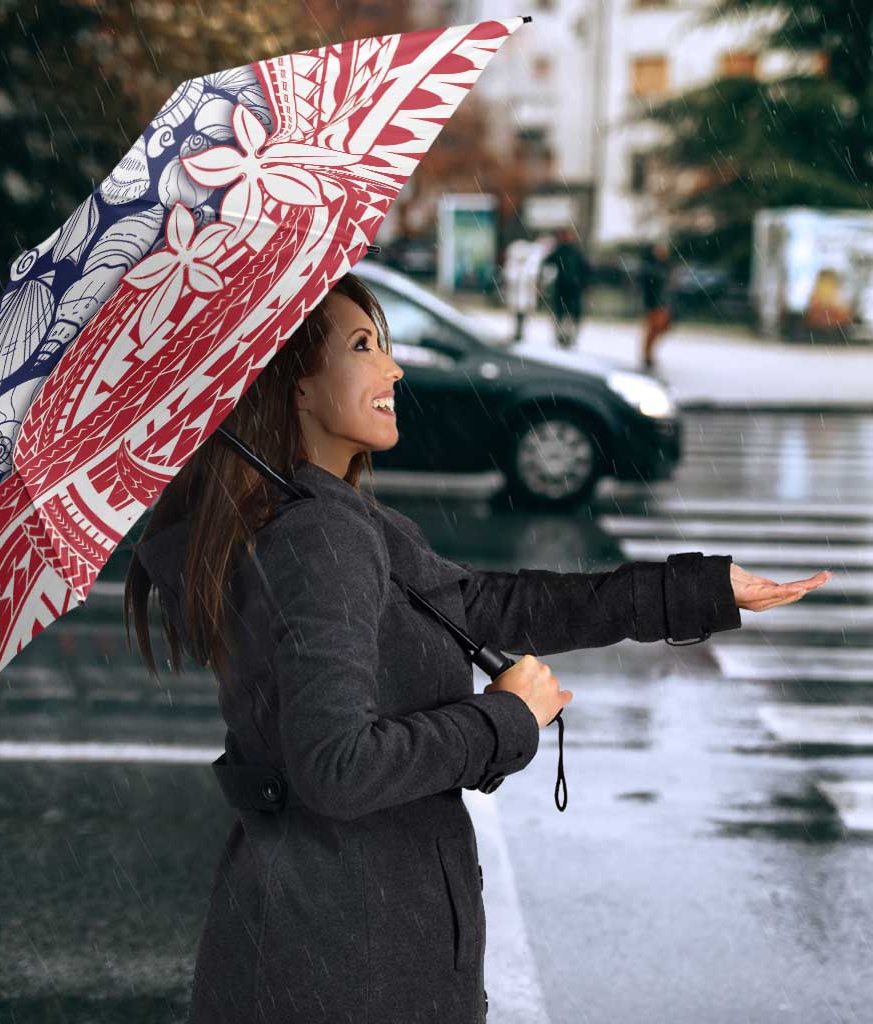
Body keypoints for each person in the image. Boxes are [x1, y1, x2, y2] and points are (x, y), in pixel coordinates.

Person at [124, 271, 821, 1024]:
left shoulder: (322, 517)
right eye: (364, 346)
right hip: (347, 963)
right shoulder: (317, 536)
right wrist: (506, 719)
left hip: (329, 942)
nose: (393, 368)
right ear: (294, 385)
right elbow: (337, 767)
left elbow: (487, 605)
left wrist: (699, 592)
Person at [541, 226, 591, 349]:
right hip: (564, 288)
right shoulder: (561, 251)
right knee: (562, 314)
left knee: (569, 315)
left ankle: (568, 337)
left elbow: (585, 270)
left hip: (572, 288)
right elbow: (547, 264)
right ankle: (562, 337)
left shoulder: (574, 252)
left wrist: (584, 284)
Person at [639, 239, 675, 370]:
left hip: (663, 303)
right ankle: (647, 355)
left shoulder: (666, 266)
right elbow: (648, 286)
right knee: (653, 329)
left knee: (661, 328)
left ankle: (648, 354)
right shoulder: (651, 267)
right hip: (654, 303)